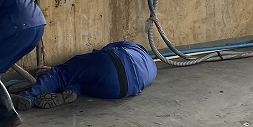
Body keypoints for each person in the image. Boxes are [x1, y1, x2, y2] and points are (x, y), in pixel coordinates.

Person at [11, 41, 157, 110]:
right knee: (82, 85)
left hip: (111, 64)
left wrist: (65, 68)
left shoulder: (130, 45)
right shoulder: (152, 67)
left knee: (62, 73)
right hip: (120, 91)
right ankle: (72, 91)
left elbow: (103, 52)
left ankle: (27, 97)